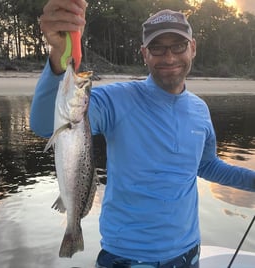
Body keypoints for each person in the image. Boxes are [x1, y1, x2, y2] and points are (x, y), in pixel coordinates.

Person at [30, 1, 255, 267]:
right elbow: (47, 125)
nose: (169, 57)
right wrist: (58, 58)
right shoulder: (114, 101)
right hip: (126, 257)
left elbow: (206, 165)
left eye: (178, 46)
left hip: (188, 254)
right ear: (144, 54)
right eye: (157, 48)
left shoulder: (200, 110)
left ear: (193, 48)